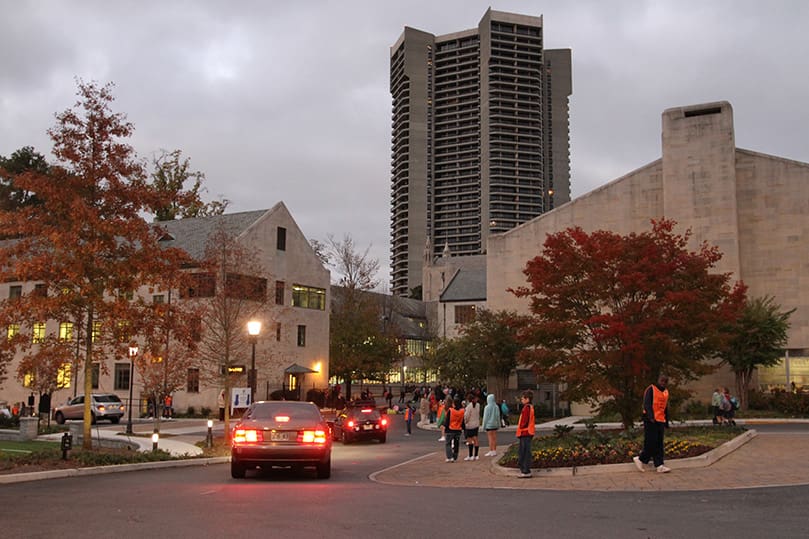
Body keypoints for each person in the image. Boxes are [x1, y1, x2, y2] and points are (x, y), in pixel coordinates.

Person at [633, 374, 671, 473]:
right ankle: (640, 459)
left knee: (659, 443)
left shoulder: (666, 392)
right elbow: (646, 404)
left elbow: (665, 408)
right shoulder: (651, 389)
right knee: (651, 441)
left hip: (660, 420)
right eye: (662, 381)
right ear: (658, 380)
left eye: (665, 381)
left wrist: (666, 421)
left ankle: (659, 465)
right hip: (650, 420)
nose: (663, 383)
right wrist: (650, 416)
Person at [516, 390, 535, 478]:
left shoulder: (526, 408)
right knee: (525, 451)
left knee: (524, 452)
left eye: (523, 398)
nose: (521, 400)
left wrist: (521, 427)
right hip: (528, 432)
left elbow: (524, 421)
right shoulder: (530, 407)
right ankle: (525, 469)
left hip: (525, 432)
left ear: (527, 399)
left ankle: (525, 470)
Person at [443, 397, 465, 462]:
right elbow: (462, 421)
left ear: (454, 404)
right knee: (456, 443)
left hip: (450, 429)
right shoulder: (462, 411)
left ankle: (449, 457)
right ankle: (455, 456)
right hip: (458, 429)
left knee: (448, 443)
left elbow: (447, 420)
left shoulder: (451, 410)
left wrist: (445, 428)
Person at [463, 393, 481, 460]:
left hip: (470, 425)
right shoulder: (478, 405)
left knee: (469, 440)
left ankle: (470, 455)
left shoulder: (469, 407)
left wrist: (465, 422)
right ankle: (476, 455)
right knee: (476, 439)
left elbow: (466, 416)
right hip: (476, 424)